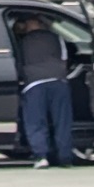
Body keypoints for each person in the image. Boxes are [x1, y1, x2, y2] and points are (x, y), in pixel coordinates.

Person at [14, 11, 77, 167]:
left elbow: (18, 63)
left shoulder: (20, 42)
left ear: (27, 25)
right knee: (62, 121)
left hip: (34, 83)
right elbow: (65, 58)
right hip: (58, 81)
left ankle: (40, 156)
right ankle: (65, 157)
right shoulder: (57, 38)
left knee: (35, 121)